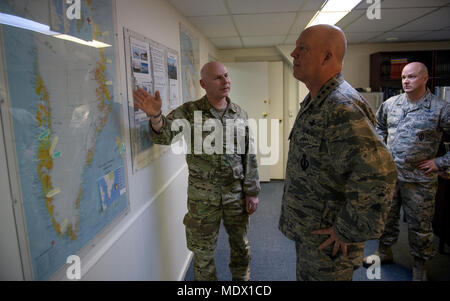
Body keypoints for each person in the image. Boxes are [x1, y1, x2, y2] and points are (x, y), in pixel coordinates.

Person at [278, 24, 398, 281]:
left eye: (303, 48)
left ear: (327, 56)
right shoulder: (317, 99)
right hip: (313, 232)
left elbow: (380, 175)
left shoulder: (341, 106)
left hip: (329, 243)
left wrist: (346, 230)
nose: (293, 53)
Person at [133, 61, 260, 281]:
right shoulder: (190, 112)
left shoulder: (239, 113)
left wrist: (252, 191)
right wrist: (155, 117)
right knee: (203, 256)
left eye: (227, 76)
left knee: (240, 248)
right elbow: (165, 136)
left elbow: (248, 154)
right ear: (203, 83)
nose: (226, 81)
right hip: (203, 200)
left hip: (235, 196)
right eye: (218, 77)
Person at [363, 62, 450, 281]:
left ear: (425, 78)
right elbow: (379, 127)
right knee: (385, 218)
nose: (405, 81)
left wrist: (440, 162)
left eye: (411, 77)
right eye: (403, 77)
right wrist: (383, 150)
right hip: (391, 176)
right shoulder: (391, 104)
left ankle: (420, 265)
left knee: (419, 225)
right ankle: (384, 251)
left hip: (420, 180)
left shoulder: (440, 108)